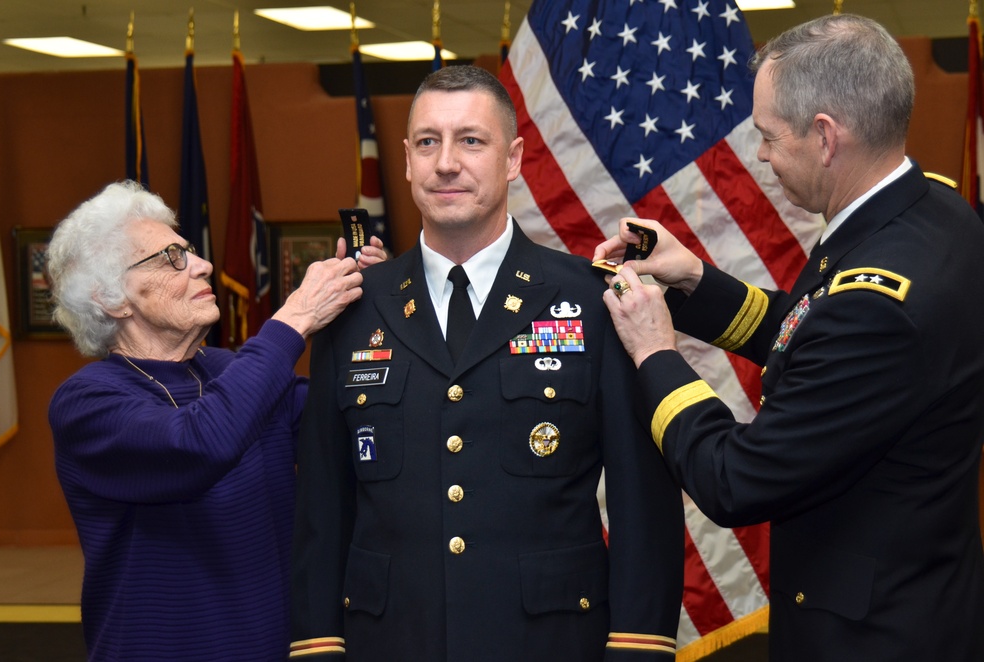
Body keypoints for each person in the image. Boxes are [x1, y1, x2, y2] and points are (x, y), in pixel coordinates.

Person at [594, 14, 984, 662]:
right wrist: (693, 278)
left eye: (769, 137)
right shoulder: (935, 214)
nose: (763, 155)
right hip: (926, 599)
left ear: (826, 137)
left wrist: (655, 352)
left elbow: (734, 480)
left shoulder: (878, 303)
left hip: (870, 639)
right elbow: (814, 334)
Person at [289, 65, 684, 661]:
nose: (446, 162)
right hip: (391, 642)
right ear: (405, 159)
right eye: (428, 142)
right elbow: (323, 503)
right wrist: (318, 647)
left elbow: (642, 503)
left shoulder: (588, 300)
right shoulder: (350, 306)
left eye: (471, 140)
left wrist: (638, 649)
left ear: (513, 157)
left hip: (548, 643)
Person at [46, 180, 384, 661]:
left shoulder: (229, 369)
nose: (204, 265)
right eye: (171, 258)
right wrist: (294, 318)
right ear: (112, 299)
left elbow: (352, 424)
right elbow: (199, 444)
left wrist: (383, 307)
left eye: (190, 251)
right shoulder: (85, 402)